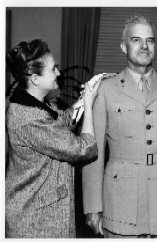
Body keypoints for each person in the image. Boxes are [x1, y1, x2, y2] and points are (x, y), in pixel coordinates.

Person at [82, 15, 157, 238]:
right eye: (136, 40)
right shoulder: (105, 90)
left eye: (150, 40)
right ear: (123, 46)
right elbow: (93, 153)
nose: (144, 46)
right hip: (120, 205)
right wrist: (93, 206)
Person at [5, 39, 101, 238]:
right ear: (35, 79)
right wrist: (89, 108)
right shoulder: (28, 118)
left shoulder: (35, 105)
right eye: (53, 69)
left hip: (43, 213)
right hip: (36, 222)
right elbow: (83, 148)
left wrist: (83, 100)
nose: (59, 73)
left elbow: (61, 122)